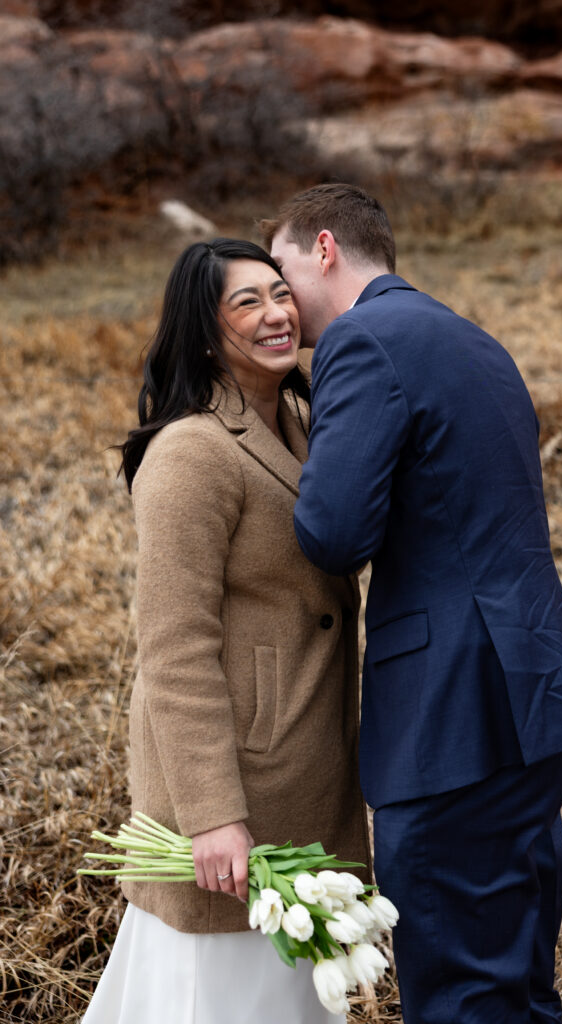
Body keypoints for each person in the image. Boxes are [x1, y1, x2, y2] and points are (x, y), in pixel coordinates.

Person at [261, 183, 562, 1024]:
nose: (279, 302)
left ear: (326, 249)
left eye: (281, 271)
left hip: (454, 709)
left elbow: (335, 531)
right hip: (533, 685)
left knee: (458, 987)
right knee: (516, 973)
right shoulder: (469, 338)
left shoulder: (360, 341)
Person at [81, 238, 370, 1024]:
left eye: (280, 293)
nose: (278, 313)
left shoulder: (306, 422)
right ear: (204, 334)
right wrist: (211, 814)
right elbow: (173, 650)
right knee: (213, 993)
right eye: (247, 303)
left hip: (305, 758)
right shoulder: (190, 452)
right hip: (239, 777)